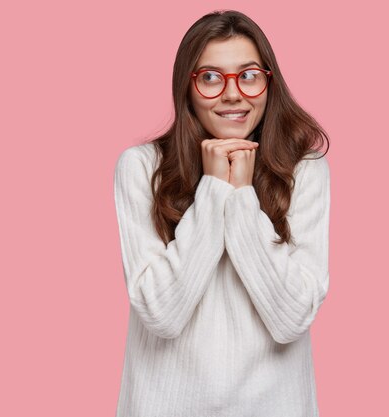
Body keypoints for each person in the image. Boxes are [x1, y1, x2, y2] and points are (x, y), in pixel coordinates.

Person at [113, 10, 330, 417]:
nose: (233, 94)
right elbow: (161, 314)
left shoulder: (304, 170)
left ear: (269, 82)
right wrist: (212, 192)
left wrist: (242, 197)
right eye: (211, 78)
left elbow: (292, 318)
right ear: (188, 88)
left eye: (248, 75)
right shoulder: (141, 168)